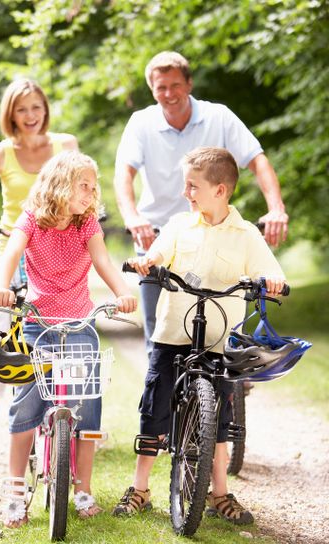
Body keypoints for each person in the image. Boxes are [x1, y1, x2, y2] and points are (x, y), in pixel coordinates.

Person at [113, 147, 285, 524]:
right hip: (173, 332)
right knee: (154, 408)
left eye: (192, 186)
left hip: (220, 338)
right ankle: (140, 487)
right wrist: (147, 261)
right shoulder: (178, 225)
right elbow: (156, 253)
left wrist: (273, 283)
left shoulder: (246, 235)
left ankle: (219, 493)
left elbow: (272, 274)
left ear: (220, 191)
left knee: (219, 417)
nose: (185, 193)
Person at [0, 149, 137, 527]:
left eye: (93, 187)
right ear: (59, 184)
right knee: (25, 403)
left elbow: (103, 262)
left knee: (86, 401)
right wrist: (0, 288)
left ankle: (83, 487)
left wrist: (122, 292)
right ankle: (15, 490)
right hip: (39, 321)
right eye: (83, 186)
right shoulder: (31, 220)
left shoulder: (86, 224)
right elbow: (10, 255)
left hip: (78, 324)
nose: (91, 194)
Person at [114, 50, 288, 358]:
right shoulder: (141, 123)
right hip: (158, 237)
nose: (169, 94)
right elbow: (123, 175)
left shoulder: (218, 116)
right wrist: (132, 217)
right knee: (160, 334)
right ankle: (161, 402)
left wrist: (276, 209)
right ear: (152, 90)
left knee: (227, 321)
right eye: (161, 88)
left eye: (175, 85)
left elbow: (257, 160)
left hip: (214, 232)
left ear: (189, 84)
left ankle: (227, 387)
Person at [0, 79, 78, 466]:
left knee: (63, 335)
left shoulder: (65, 146)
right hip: (11, 253)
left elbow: (84, 187)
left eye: (36, 107)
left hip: (56, 253)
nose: (30, 116)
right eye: (22, 109)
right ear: (10, 113)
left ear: (46, 108)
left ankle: (66, 426)